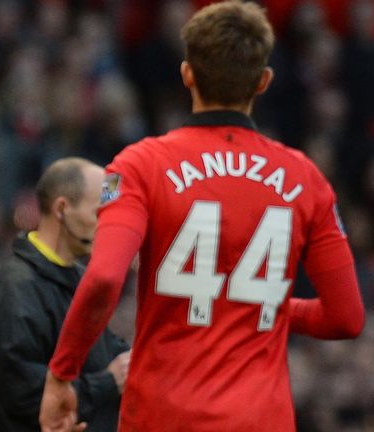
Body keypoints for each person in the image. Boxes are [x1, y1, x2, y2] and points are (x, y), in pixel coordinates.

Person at [39, 2, 365, 431]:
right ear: (263, 82)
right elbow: (346, 318)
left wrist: (62, 374)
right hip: (260, 420)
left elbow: (102, 278)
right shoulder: (306, 179)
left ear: (187, 74)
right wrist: (273, 305)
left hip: (162, 415)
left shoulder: (139, 166)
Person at [0, 157, 131, 431]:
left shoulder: (82, 277)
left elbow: (105, 353)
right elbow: (20, 397)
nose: (110, 225)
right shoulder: (14, 290)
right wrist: (106, 383)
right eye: (100, 212)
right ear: (62, 209)